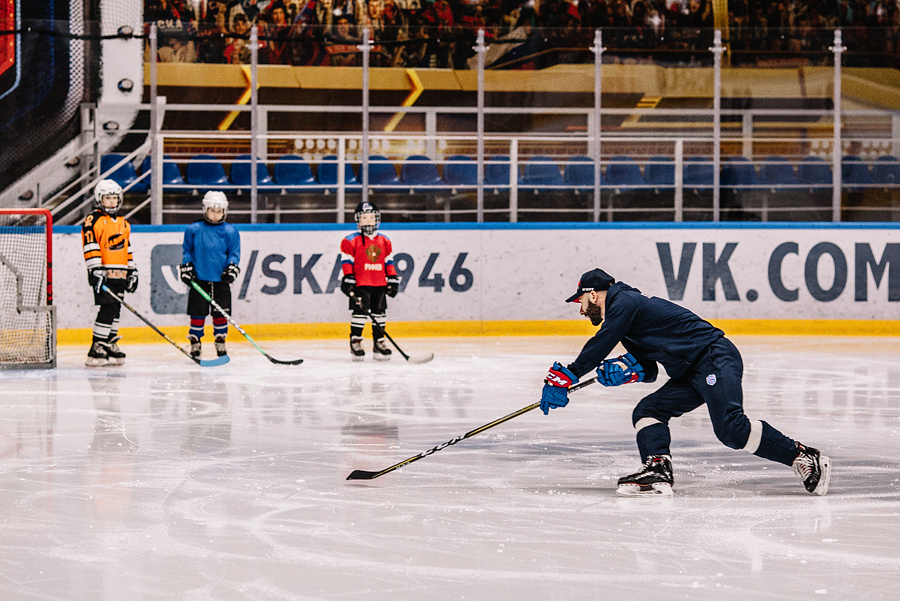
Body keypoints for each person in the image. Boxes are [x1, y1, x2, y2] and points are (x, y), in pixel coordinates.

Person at [540, 267, 832, 497]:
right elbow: (649, 369)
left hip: (713, 357)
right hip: (691, 371)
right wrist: (625, 372)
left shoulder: (624, 301)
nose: (581, 310)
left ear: (593, 295)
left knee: (731, 430)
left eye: (580, 302)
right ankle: (657, 469)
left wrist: (570, 374)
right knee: (648, 410)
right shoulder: (626, 319)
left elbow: (604, 340)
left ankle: (803, 456)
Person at [82, 180, 138, 367]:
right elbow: (90, 244)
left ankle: (109, 342)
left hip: (120, 274)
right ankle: (96, 346)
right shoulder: (93, 219)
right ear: (99, 199)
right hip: (103, 273)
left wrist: (132, 270)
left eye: (115, 198)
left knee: (116, 309)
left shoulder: (123, 223)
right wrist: (95, 269)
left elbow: (127, 248)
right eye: (108, 198)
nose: (112, 202)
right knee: (108, 308)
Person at [179, 191, 241, 358]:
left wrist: (232, 268)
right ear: (205, 210)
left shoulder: (230, 231)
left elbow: (234, 253)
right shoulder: (193, 229)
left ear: (224, 211)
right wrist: (187, 266)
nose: (215, 214)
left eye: (219, 211)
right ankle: (195, 341)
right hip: (199, 279)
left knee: (220, 314)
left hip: (221, 280)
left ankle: (220, 341)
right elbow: (187, 251)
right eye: (212, 210)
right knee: (197, 313)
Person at [339, 201, 399, 361]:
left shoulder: (385, 240)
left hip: (380, 283)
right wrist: (348, 277)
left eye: (371, 217)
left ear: (377, 219)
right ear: (358, 220)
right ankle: (356, 342)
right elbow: (347, 261)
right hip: (361, 283)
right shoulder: (350, 240)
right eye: (364, 217)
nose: (368, 221)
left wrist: (392, 278)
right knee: (360, 313)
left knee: (379, 313)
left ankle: (379, 343)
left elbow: (388, 262)